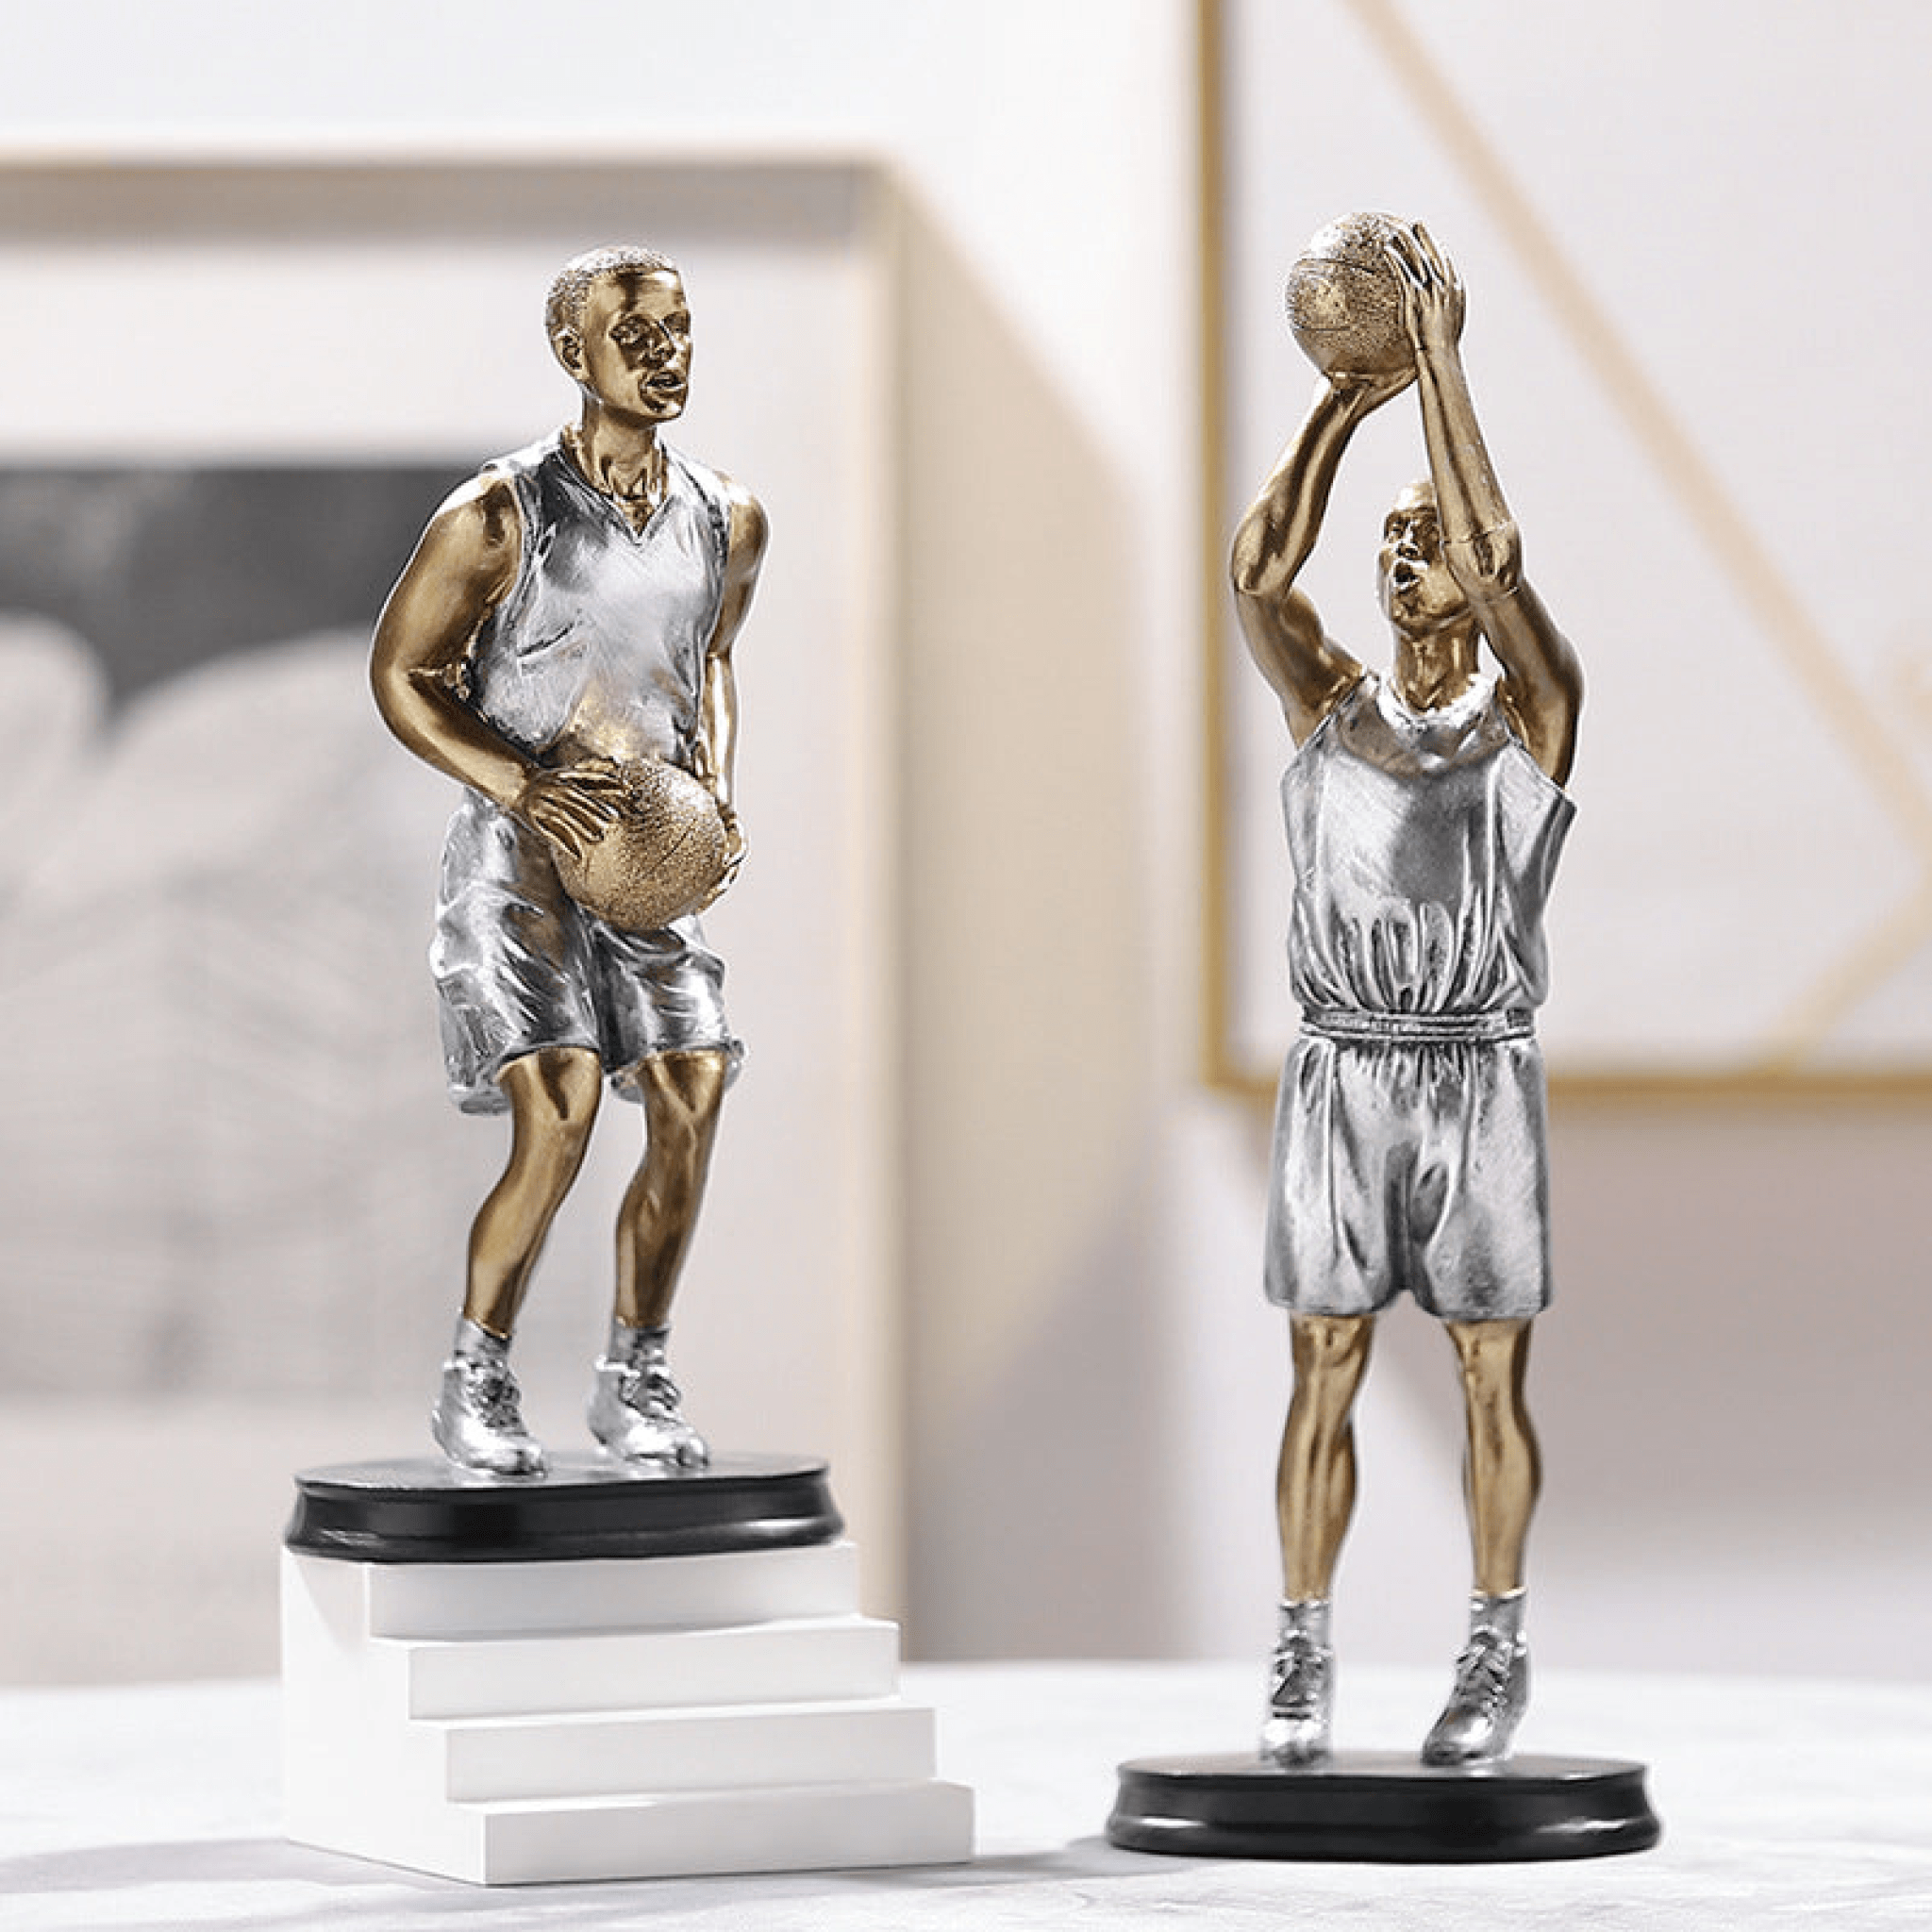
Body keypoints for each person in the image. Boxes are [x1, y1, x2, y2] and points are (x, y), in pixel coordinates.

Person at [1229, 223, 1582, 1766]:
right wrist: (1346, 397)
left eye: (1422, 532)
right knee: (1323, 1360)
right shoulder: (1330, 709)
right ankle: (1301, 1646)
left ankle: (1495, 1646)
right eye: (1389, 534)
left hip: (1477, 1069)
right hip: (1342, 1071)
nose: (1402, 550)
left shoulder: (1532, 717)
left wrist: (1440, 365)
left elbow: (1500, 568)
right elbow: (1256, 571)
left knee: (1489, 1370)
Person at [372, 244, 766, 1477]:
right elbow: (403, 675)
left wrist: (716, 798)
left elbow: (711, 662)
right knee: (562, 1105)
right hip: (525, 849)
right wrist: (525, 787)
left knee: (694, 1092)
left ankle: (634, 1373)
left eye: (678, 330)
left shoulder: (727, 517)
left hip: (649, 854)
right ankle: (476, 1373)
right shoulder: (499, 514)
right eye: (633, 335)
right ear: (572, 353)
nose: (664, 355)